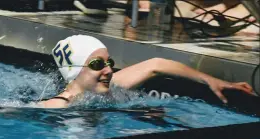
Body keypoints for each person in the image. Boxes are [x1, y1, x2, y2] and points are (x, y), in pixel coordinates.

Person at [38, 35, 253, 108]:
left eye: (109, 62)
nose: (109, 70)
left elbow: (156, 64)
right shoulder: (58, 105)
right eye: (97, 64)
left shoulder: (109, 89)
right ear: (73, 72)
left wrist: (211, 80)